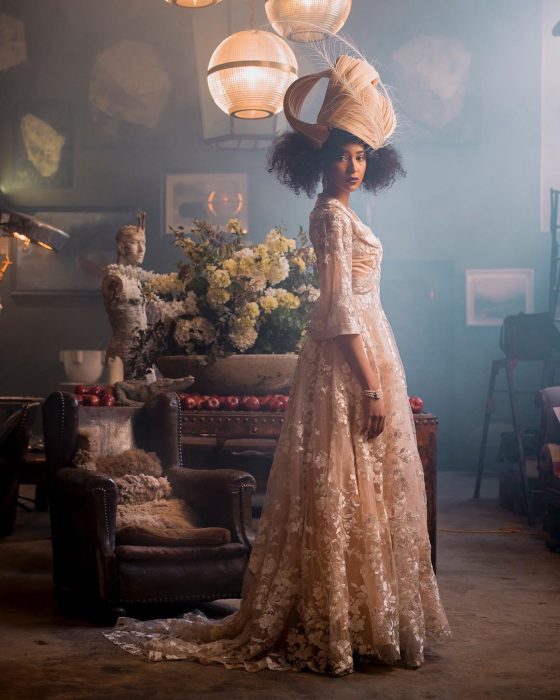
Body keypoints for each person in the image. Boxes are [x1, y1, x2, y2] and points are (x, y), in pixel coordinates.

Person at [105, 55, 451, 675]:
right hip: (349, 354)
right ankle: (338, 619)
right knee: (340, 479)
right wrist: (371, 387)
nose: (352, 166)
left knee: (363, 482)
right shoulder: (329, 217)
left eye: (362, 156)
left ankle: (366, 615)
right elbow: (338, 308)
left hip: (366, 346)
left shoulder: (346, 215)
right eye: (343, 154)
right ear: (320, 159)